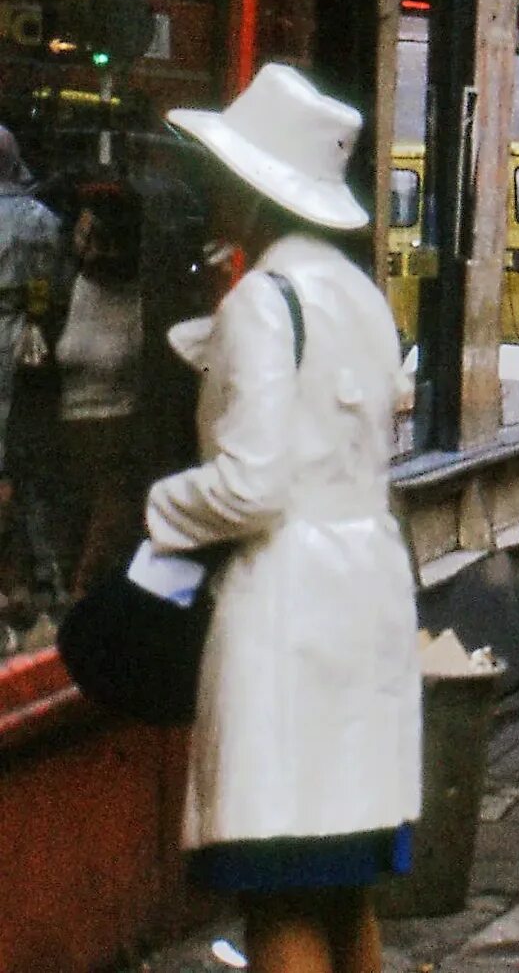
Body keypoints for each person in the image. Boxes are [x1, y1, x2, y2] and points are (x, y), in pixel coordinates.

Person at [141, 64, 421, 973]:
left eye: (224, 175)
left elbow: (251, 487)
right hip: (365, 604)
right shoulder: (362, 298)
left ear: (255, 189)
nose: (211, 189)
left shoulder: (265, 301)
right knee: (343, 887)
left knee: (280, 886)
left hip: (286, 616)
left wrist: (163, 507)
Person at [54, 182, 154, 588]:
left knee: (105, 522)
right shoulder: (69, 289)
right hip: (71, 427)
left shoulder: (142, 299)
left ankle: (82, 594)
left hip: (118, 424)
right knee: (74, 519)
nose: (94, 249)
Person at [0, 124, 63, 623]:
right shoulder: (41, 220)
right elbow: (52, 282)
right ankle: (42, 572)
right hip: (25, 334)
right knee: (26, 457)